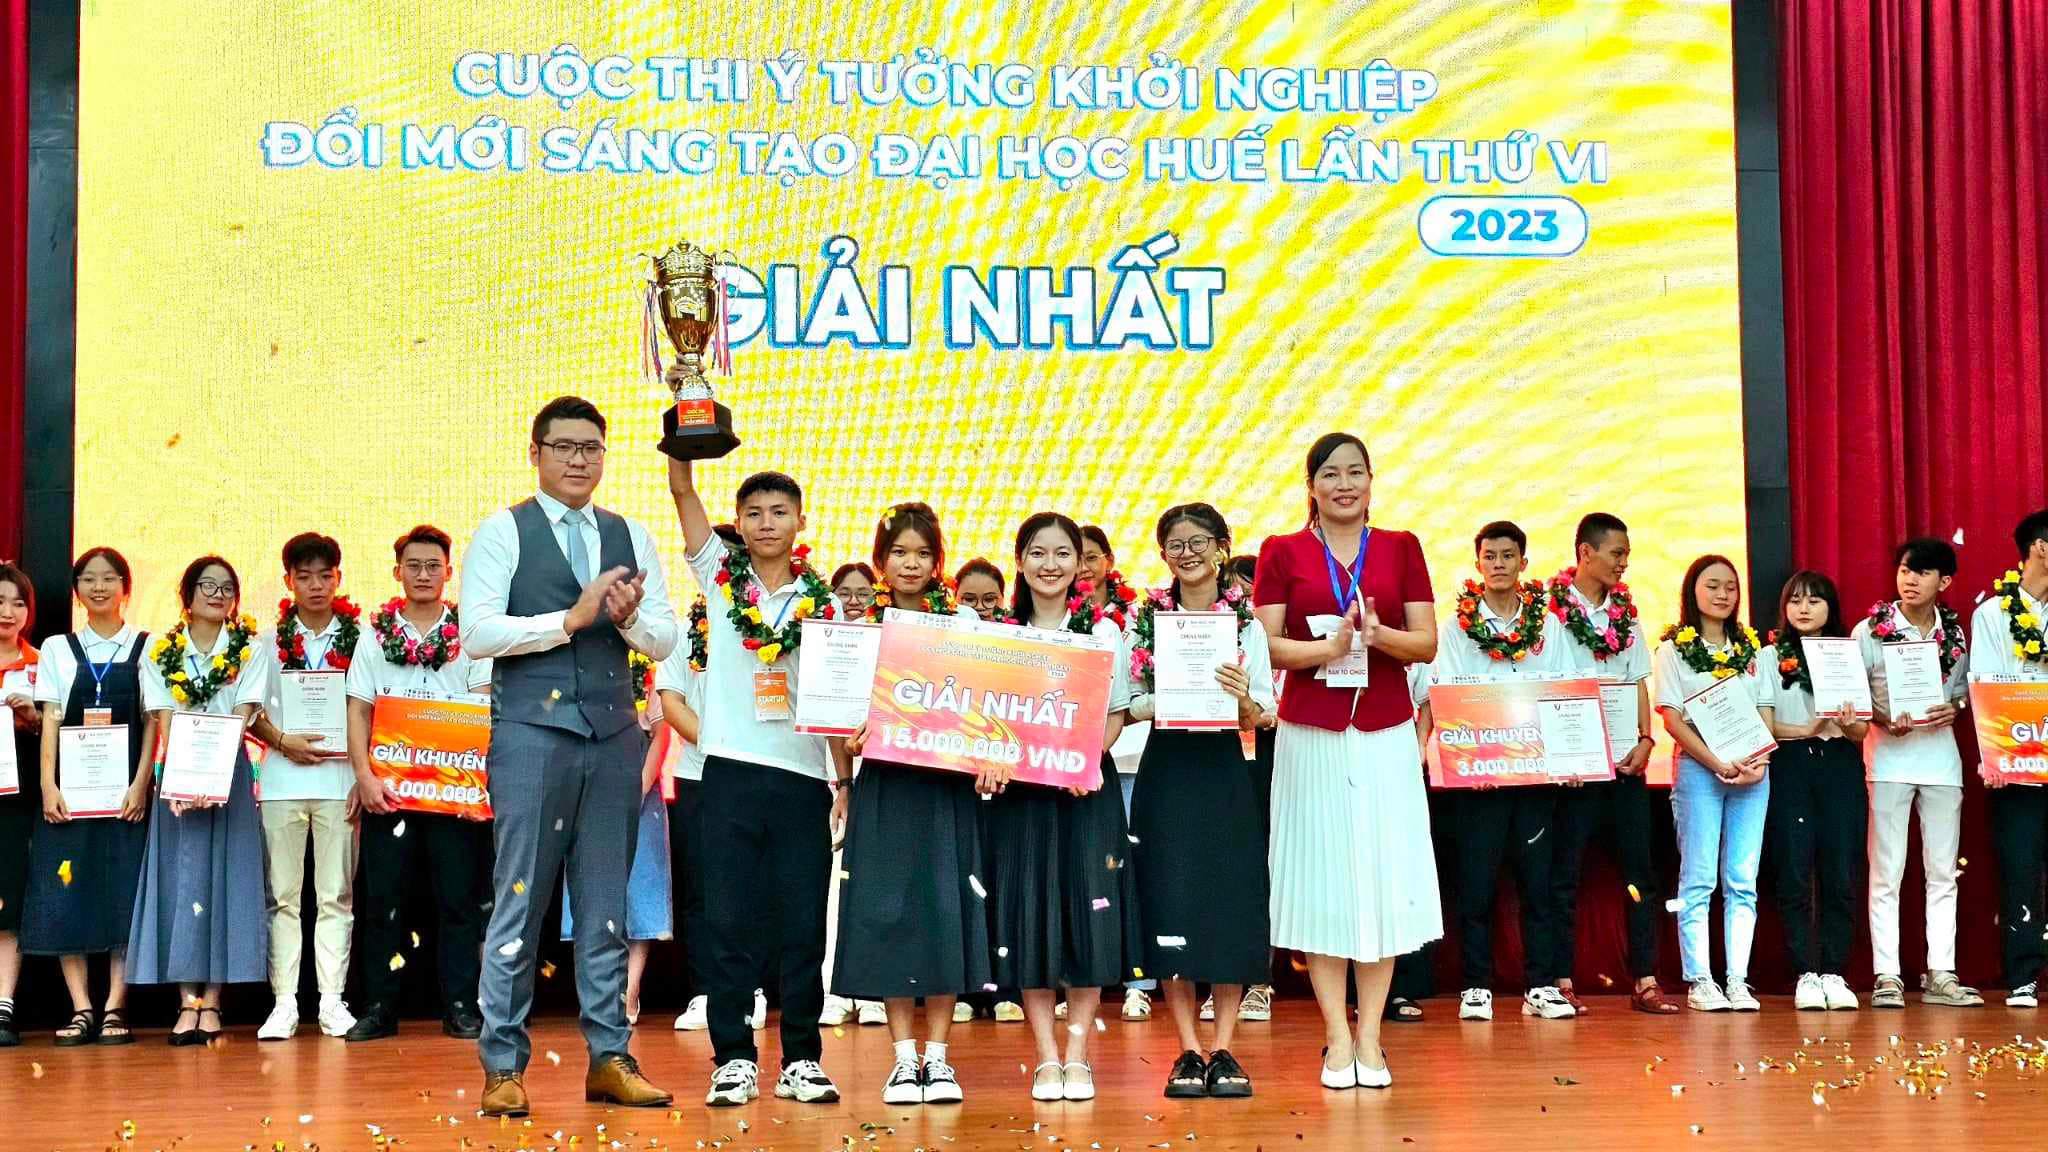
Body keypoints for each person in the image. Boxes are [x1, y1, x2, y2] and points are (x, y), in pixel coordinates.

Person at [463, 396, 682, 1116]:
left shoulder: (630, 534)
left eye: (591, 448)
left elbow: (665, 638)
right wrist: (570, 619)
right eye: (563, 447)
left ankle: (610, 1057)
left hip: (614, 734)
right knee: (519, 898)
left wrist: (629, 620)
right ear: (536, 453)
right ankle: (503, 1065)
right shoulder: (503, 531)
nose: (578, 460)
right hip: (531, 733)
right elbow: (478, 634)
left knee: (605, 904)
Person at [1252, 432, 1439, 1091]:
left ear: (1370, 481)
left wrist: (1377, 635)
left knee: (1383, 879)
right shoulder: (1282, 551)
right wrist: (1326, 651)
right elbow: (1266, 647)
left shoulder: (1401, 547)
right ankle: (1336, 1035)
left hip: (1385, 729)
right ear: (1311, 486)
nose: (1344, 484)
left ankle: (1371, 1037)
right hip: (1311, 731)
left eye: (1356, 472)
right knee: (1322, 880)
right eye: (1330, 474)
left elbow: (1426, 642)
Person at [669, 454, 842, 1109]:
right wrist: (684, 441)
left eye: (779, 512)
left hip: (803, 777)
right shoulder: (720, 579)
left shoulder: (824, 602)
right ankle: (734, 1059)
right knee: (728, 921)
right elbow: (683, 492)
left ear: (801, 522)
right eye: (754, 513)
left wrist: (845, 781)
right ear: (738, 524)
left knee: (802, 924)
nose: (767, 523)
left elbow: (837, 702)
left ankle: (802, 1059)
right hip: (729, 773)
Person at [835, 503, 992, 1106]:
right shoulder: (859, 630)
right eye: (899, 552)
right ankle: (904, 1060)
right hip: (886, 787)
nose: (910, 563)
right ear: (881, 561)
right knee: (889, 914)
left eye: (923, 554)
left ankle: (940, 1058)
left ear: (937, 563)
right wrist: (846, 768)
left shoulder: (962, 627)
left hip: (946, 789)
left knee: (946, 913)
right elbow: (839, 718)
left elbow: (986, 707)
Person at [983, 511, 1137, 1102]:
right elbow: (988, 719)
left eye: (1063, 554)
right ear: (1021, 561)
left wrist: (1085, 760)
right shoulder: (1002, 635)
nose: (1051, 565)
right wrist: (992, 760)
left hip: (1085, 792)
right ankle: (1046, 1056)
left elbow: (1116, 714)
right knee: (1030, 918)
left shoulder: (1104, 632)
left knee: (1088, 917)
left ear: (1080, 564)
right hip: (1022, 798)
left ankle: (1078, 1055)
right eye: (1038, 553)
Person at [1122, 503, 1273, 1099]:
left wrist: (1242, 701)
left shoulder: (1246, 624)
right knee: (1171, 899)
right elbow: (1128, 702)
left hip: (1224, 771)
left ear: (1220, 547)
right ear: (1163, 554)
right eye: (1175, 545)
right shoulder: (1144, 621)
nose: (1186, 554)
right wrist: (1162, 697)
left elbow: (1264, 713)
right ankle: (1187, 1048)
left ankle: (1225, 1047)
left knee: (1228, 902)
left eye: (1198, 542)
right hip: (1167, 770)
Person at [1415, 521, 1573, 1022]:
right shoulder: (1455, 628)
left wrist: (1569, 759)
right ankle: (1475, 986)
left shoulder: (1548, 627)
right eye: (1490, 555)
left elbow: (1563, 689)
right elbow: (1444, 695)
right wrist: (1460, 758)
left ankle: (1540, 985)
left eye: (1508, 555)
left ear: (1523, 562)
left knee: (1538, 884)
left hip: (1534, 777)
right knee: (1477, 885)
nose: (1499, 564)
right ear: (1478, 562)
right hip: (1478, 776)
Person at [342, 526, 495, 1045]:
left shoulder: (471, 634)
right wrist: (364, 777)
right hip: (390, 793)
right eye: (414, 565)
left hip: (455, 795)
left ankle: (461, 1006)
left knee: (459, 903)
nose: (424, 574)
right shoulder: (374, 635)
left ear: (448, 572)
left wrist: (478, 787)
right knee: (385, 902)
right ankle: (379, 1007)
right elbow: (359, 709)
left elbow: (484, 709)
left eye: (433, 566)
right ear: (397, 572)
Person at [129, 556, 271, 1042]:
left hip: (229, 771)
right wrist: (185, 778)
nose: (217, 594)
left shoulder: (250, 649)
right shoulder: (159, 651)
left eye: (227, 587)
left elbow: (245, 712)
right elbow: (163, 717)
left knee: (225, 882)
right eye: (207, 586)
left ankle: (212, 1001)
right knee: (183, 882)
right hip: (179, 772)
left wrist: (212, 776)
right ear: (186, 595)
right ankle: (186, 1001)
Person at [1544, 514, 1681, 1015]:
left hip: (1625, 766)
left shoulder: (1627, 613)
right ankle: (1560, 981)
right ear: (1586, 552)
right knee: (1564, 877)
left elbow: (1637, 682)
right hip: (1573, 770)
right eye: (1616, 553)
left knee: (1639, 876)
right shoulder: (1549, 612)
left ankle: (1645, 980)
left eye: (1627, 555)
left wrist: (1646, 740)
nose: (1624, 563)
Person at [22, 548, 153, 1045]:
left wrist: (141, 785)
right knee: (65, 893)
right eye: (89, 579)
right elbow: (51, 719)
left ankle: (116, 1006)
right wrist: (47, 785)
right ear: (76, 590)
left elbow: (152, 723)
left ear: (126, 587)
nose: (99, 587)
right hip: (69, 799)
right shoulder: (57, 648)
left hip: (125, 799)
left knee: (124, 894)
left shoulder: (146, 646)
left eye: (109, 578)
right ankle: (81, 1007)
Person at [244, 532, 361, 1041]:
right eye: (304, 576)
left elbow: (372, 709)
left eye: (324, 575)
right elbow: (248, 712)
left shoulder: (361, 639)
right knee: (283, 898)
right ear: (288, 581)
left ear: (338, 578)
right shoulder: (266, 643)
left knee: (336, 895)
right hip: (281, 782)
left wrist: (364, 775)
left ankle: (332, 1001)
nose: (315, 585)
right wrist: (282, 740)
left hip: (341, 782)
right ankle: (284, 1003)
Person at [1853, 537, 1979, 1008]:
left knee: (1942, 872)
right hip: (1888, 760)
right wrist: (1881, 718)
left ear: (1944, 582)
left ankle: (1941, 973)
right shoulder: (1870, 631)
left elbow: (1965, 693)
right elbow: (1852, 695)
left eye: (1922, 572)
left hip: (1942, 761)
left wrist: (1956, 708)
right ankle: (1887, 974)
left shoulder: (1956, 634)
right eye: (1905, 570)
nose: (1910, 579)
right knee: (1887, 871)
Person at [1654, 555, 1774, 1013]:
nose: (1723, 594)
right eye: (1712, 585)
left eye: (1730, 586)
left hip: (1753, 775)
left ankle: (1738, 980)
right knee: (1699, 878)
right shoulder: (1673, 650)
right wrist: (1716, 762)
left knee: (1742, 880)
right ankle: (1700, 980)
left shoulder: (1752, 649)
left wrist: (1759, 763)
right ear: (1693, 591)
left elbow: (1765, 710)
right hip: (1699, 771)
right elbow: (1672, 719)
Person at [670, 529, 773, 1036]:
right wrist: (717, 747)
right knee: (701, 891)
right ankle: (705, 991)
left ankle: (751, 989)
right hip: (699, 774)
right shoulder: (684, 630)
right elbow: (671, 702)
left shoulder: (772, 622)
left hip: (758, 770)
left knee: (752, 887)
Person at [1764, 569, 1868, 1011]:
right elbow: (1766, 724)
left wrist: (1848, 723)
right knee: (1794, 866)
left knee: (1840, 868)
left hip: (1839, 763)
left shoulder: (1846, 655)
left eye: (1814, 600)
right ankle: (1805, 972)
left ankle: (1834, 972)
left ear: (1831, 607)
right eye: (1795, 600)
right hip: (1791, 762)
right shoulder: (1770, 656)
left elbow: (1860, 732)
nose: (1803, 608)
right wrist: (1803, 729)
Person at [559, 652, 671, 1027]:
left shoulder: (648, 666)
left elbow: (662, 734)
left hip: (640, 791)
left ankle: (630, 988)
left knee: (641, 890)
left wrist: (640, 786)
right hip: (589, 787)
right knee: (591, 889)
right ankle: (598, 991)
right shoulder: (579, 664)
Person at [1971, 509, 2048, 1007]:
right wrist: (1994, 759)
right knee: (2020, 868)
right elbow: (1987, 685)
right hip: (2018, 766)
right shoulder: (1993, 615)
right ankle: (2023, 975)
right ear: (2040, 548)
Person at [1078, 525, 1150, 1022]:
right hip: (1086, 767)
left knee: (1135, 871)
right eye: (1075, 557)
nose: (1083, 567)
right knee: (1094, 873)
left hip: (1138, 760)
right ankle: (1084, 975)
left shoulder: (1138, 620)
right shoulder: (1066, 621)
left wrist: (1138, 708)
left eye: (1091, 556)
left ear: (1109, 560)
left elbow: (1144, 688)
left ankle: (1138, 984)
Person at [950, 558, 1026, 1026]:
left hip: (1010, 787)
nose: (980, 610)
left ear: (1005, 601)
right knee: (964, 885)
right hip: (958, 785)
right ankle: (965, 987)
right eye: (969, 600)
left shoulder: (1020, 648)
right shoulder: (944, 650)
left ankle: (1007, 988)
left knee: (1005, 885)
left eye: (990, 601)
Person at [1208, 552, 1278, 1024]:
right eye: (1236, 590)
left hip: (1272, 761)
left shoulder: (1267, 636)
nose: (1245, 600)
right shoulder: (1208, 631)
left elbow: (1268, 708)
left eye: (1253, 592)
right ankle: (1220, 981)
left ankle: (1259, 981)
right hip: (1219, 759)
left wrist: (1254, 707)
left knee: (1259, 872)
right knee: (1221, 870)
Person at [820, 561, 884, 1032]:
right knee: (834, 891)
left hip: (887, 780)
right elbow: (828, 722)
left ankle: (875, 994)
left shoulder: (891, 642)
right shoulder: (824, 643)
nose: (856, 601)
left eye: (865, 593)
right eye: (846, 592)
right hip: (837, 780)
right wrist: (844, 784)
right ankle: (833, 991)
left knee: (876, 887)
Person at [0, 563, 40, 1047]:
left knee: (7, 902)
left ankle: (3, 1005)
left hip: (15, 799)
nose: (7, 612)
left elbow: (58, 732)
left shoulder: (41, 663)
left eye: (17, 603)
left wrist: (33, 719)